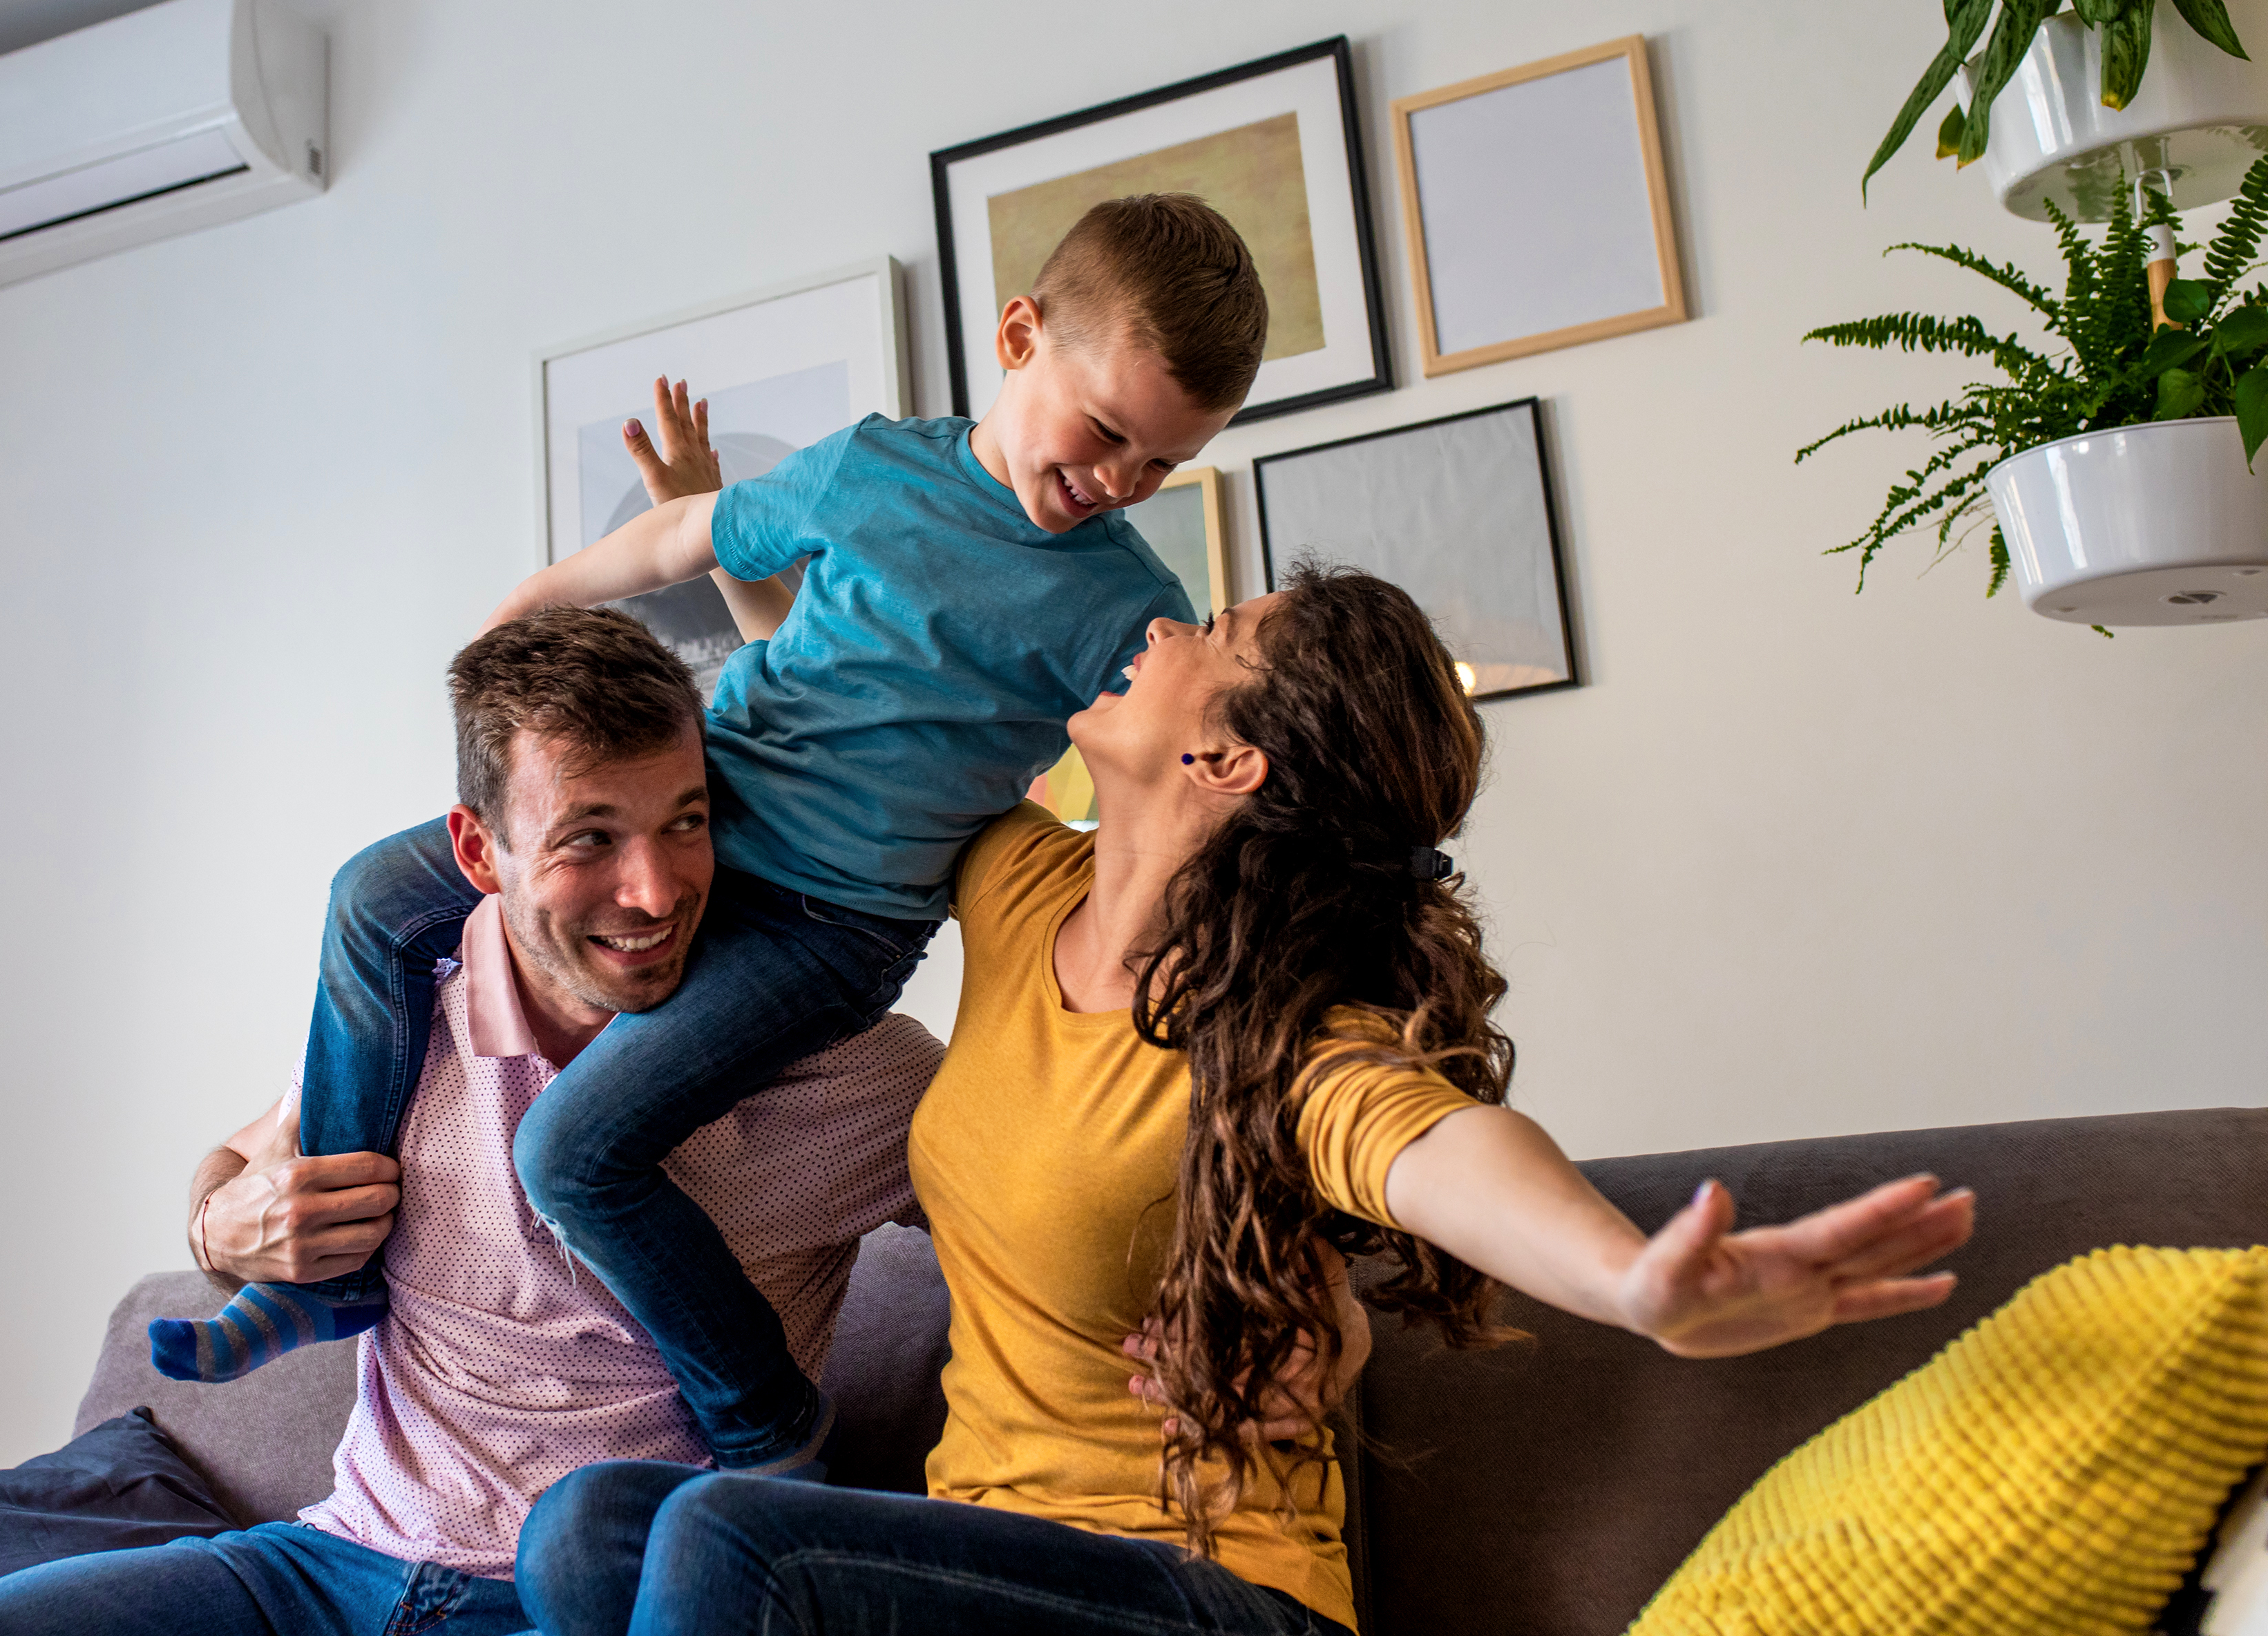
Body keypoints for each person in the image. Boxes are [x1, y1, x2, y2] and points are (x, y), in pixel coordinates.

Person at [512, 567, 1979, 1636]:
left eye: (1207, 635)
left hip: (1215, 1599)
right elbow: (881, 736)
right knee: (589, 1526)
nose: (1156, 626)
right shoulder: (1020, 890)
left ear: (1221, 759)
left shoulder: (1281, 1042)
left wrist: (1629, 1278)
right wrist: (750, 576)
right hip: (977, 1559)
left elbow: (1435, 1145)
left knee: (725, 1539)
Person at [157, 195, 1270, 1483]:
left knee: (572, 1151)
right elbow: (686, 534)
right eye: (1110, 433)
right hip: (695, 813)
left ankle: (761, 1421)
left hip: (825, 927)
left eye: (1163, 464)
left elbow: (1174, 800)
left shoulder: (1128, 603)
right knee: (368, 894)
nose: (1124, 482)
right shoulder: (874, 472)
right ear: (1020, 336)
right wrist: (532, 601)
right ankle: (336, 1281)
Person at [0, 606, 943, 1636]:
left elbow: (1048, 1241)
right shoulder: (409, 1018)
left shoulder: (849, 1077)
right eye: (588, 838)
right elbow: (238, 1167)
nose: (653, 891)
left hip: (591, 1597)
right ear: (475, 853)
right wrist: (219, 1225)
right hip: (325, 1564)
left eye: (684, 822)